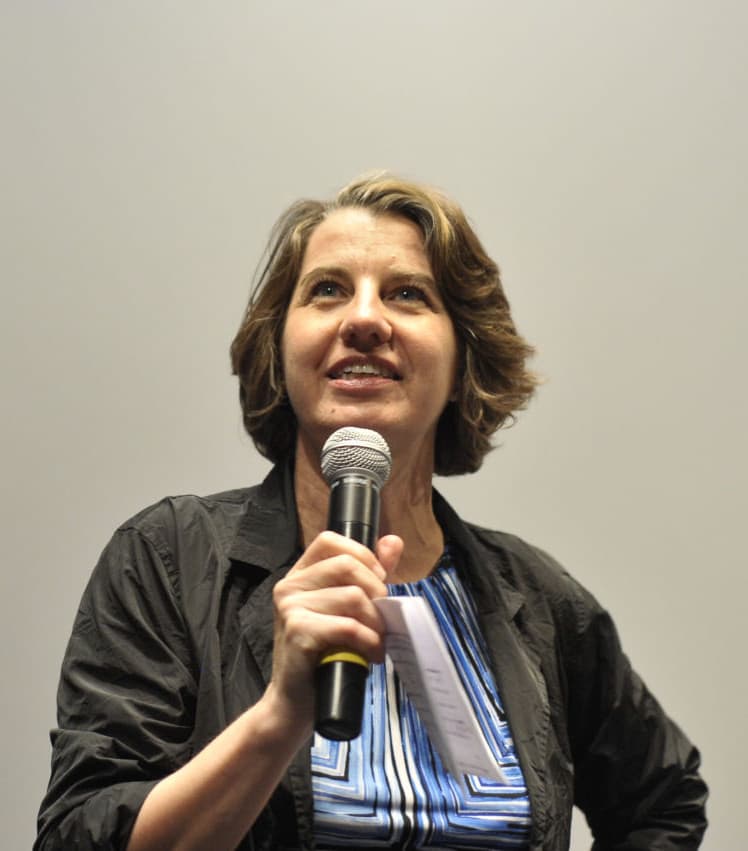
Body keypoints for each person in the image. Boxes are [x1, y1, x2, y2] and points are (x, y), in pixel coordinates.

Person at [35, 173, 708, 850]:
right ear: (281, 346)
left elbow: (664, 802)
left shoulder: (539, 600)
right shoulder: (169, 559)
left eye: (407, 294)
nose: (363, 319)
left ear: (462, 360)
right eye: (327, 289)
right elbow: (76, 834)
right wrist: (279, 717)